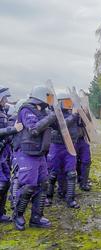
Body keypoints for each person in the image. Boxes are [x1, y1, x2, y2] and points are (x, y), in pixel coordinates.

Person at [14, 85, 56, 231]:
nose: (50, 100)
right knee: (28, 187)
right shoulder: (27, 109)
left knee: (43, 185)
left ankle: (36, 218)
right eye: (48, 97)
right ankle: (18, 215)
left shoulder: (44, 111)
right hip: (28, 153)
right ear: (41, 96)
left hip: (40, 153)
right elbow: (33, 130)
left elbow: (53, 125)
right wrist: (51, 117)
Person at [47, 92, 80, 209]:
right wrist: (74, 116)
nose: (69, 105)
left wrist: (80, 115)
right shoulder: (53, 114)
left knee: (71, 173)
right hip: (56, 146)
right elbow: (62, 125)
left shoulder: (74, 114)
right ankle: (48, 197)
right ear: (60, 102)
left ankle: (70, 198)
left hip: (70, 146)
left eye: (70, 102)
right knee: (52, 173)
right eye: (66, 102)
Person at [0, 86, 23, 223]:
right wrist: (12, 129)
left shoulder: (3, 111)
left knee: (6, 183)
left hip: (4, 152)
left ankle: (1, 213)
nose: (6, 100)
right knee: (2, 184)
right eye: (4, 98)